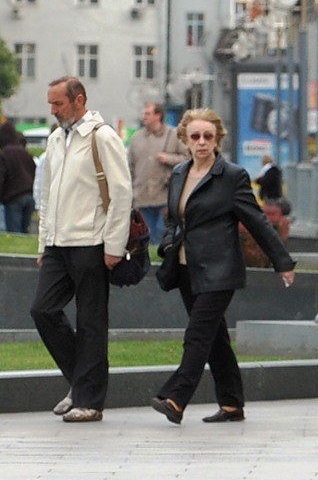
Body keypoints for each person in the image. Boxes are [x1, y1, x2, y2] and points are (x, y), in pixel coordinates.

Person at [151, 108, 296, 425]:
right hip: (187, 268)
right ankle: (231, 403)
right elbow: (175, 220)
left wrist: (281, 261)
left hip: (220, 269)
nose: (201, 142)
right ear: (185, 140)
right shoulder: (178, 174)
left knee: (198, 335)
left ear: (217, 140)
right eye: (195, 137)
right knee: (215, 337)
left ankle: (176, 398)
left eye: (208, 136)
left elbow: (256, 221)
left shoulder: (231, 176)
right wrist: (167, 244)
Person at [30, 76, 132, 423]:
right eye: (51, 104)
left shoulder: (102, 136)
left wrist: (114, 245)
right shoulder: (57, 138)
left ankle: (90, 401)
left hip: (92, 242)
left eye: (58, 103)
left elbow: (121, 193)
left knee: (91, 322)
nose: (53, 110)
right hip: (58, 244)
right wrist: (44, 242)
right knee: (42, 310)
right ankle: (81, 382)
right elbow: (46, 194)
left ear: (78, 100)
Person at [128, 102, 188, 245]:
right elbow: (130, 167)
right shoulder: (137, 138)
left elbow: (188, 159)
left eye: (148, 114)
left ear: (158, 115)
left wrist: (169, 159)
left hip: (165, 195)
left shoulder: (173, 135)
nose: (144, 117)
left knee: (164, 235)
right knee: (145, 236)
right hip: (142, 196)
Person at [0, 121, 36, 233]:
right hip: (29, 195)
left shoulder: (4, 154)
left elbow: (1, 177)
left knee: (14, 233)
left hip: (13, 197)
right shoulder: (25, 153)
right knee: (25, 232)